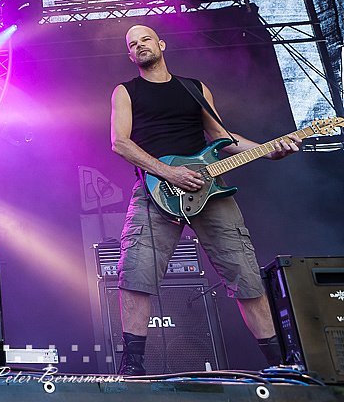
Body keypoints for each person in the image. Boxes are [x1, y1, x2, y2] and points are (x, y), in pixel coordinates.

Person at [110, 25, 301, 375]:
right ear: (130, 55)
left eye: (145, 39)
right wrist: (169, 173)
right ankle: (133, 367)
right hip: (155, 188)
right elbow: (120, 142)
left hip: (208, 187)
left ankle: (282, 365)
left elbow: (221, 137)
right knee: (136, 272)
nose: (139, 46)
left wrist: (268, 151)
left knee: (244, 271)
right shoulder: (126, 91)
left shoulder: (194, 88)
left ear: (161, 44)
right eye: (132, 44)